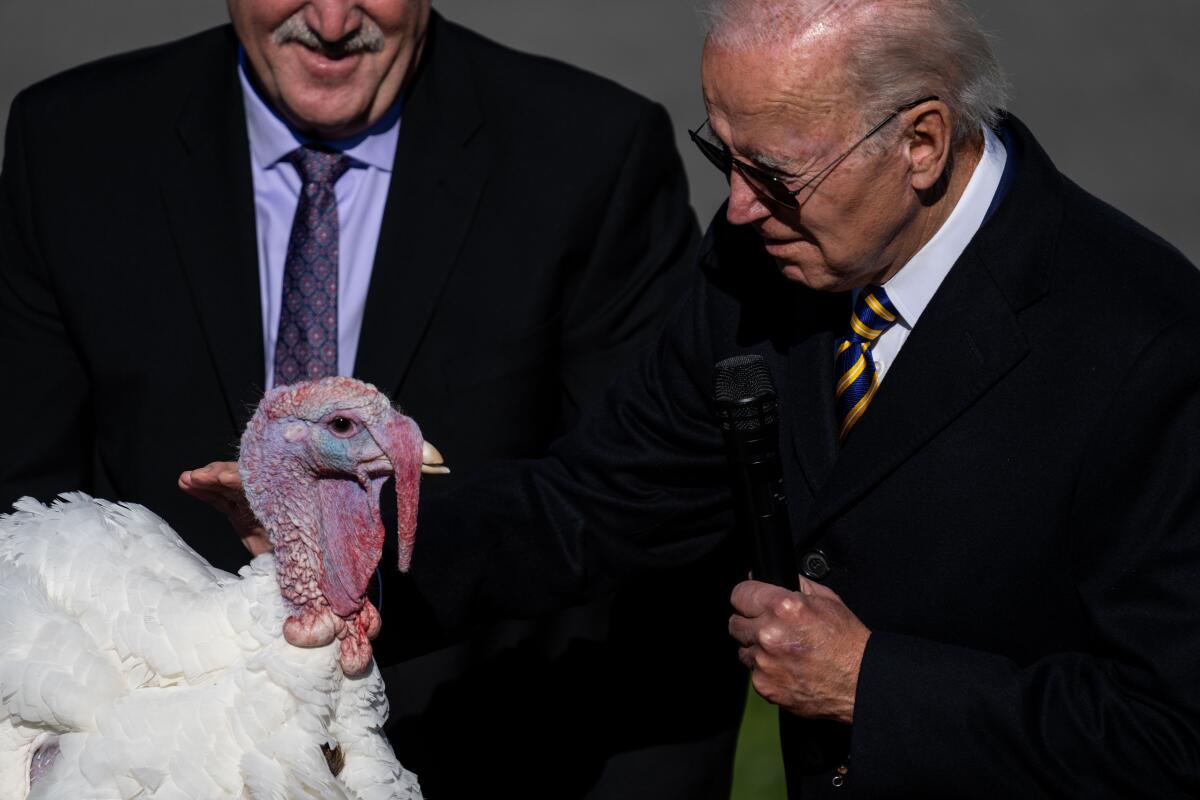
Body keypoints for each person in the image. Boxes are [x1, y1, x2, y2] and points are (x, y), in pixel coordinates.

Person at [185, 0, 1200, 795]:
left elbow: (1172, 731)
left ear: (922, 144)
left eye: (776, 173)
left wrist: (873, 683)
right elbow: (602, 498)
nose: (740, 208)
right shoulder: (770, 253)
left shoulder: (1148, 345)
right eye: (723, 154)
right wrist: (351, 535)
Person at [0, 2, 750, 797]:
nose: (328, 20)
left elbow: (652, 516)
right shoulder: (74, 141)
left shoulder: (590, 151)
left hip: (484, 760)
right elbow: (22, 499)